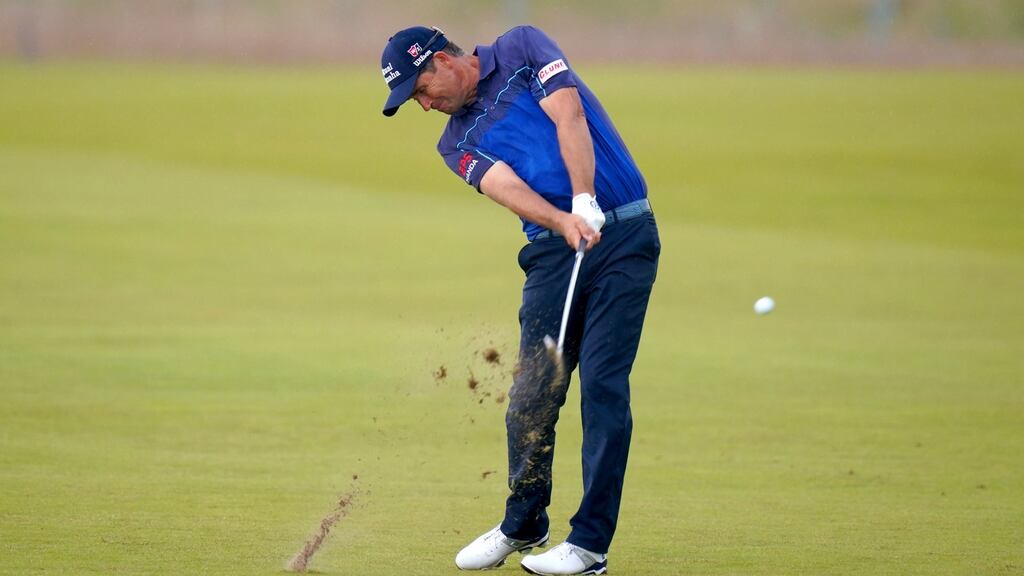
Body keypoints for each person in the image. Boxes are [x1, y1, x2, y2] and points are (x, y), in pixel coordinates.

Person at [380, 25, 660, 576]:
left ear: (442, 61)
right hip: (554, 252)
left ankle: (589, 545)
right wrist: (563, 220)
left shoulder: (522, 49)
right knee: (533, 393)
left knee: (603, 386)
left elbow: (568, 115)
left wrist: (584, 197)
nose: (424, 105)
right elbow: (504, 185)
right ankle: (524, 522)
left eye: (421, 90)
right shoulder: (454, 143)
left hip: (624, 235)